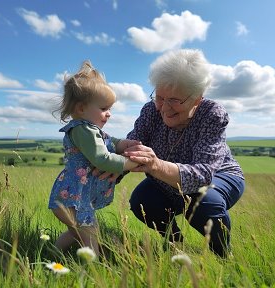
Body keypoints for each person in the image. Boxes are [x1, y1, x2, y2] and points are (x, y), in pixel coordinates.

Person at [124, 49, 245, 258]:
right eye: (160, 97)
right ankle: (175, 246)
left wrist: (155, 166)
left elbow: (203, 174)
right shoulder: (151, 110)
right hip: (166, 179)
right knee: (142, 200)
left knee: (202, 205)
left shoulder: (211, 114)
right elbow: (132, 146)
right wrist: (102, 172)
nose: (164, 108)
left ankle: (224, 257)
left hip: (219, 176)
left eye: (174, 100)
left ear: (197, 99)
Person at [48, 60, 139, 255]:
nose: (109, 114)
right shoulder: (83, 130)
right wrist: (130, 163)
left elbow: (109, 140)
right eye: (104, 108)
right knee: (91, 233)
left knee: (76, 232)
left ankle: (52, 253)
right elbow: (102, 159)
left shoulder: (90, 129)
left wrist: (123, 144)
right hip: (74, 197)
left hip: (74, 196)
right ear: (81, 109)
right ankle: (94, 267)